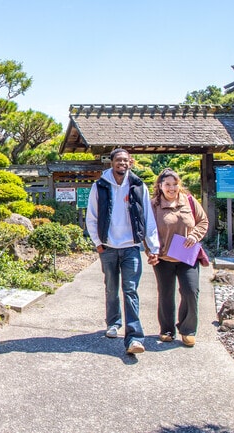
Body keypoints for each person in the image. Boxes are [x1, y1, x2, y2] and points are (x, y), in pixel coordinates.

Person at [85, 148, 160, 355]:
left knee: (130, 290)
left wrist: (153, 247)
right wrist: (98, 242)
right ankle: (113, 322)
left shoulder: (138, 186)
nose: (122, 163)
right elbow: (91, 216)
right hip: (108, 246)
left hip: (131, 247)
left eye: (125, 160)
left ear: (131, 162)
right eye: (118, 160)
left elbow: (148, 219)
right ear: (111, 163)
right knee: (111, 287)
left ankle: (134, 337)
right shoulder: (99, 186)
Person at [150, 168, 209, 347]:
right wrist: (150, 251)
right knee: (166, 294)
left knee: (191, 291)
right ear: (160, 186)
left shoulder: (189, 201)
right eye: (167, 184)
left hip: (186, 256)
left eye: (175, 184)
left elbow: (203, 221)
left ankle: (188, 329)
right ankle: (167, 330)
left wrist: (194, 235)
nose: (172, 188)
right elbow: (147, 231)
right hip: (163, 258)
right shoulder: (154, 205)